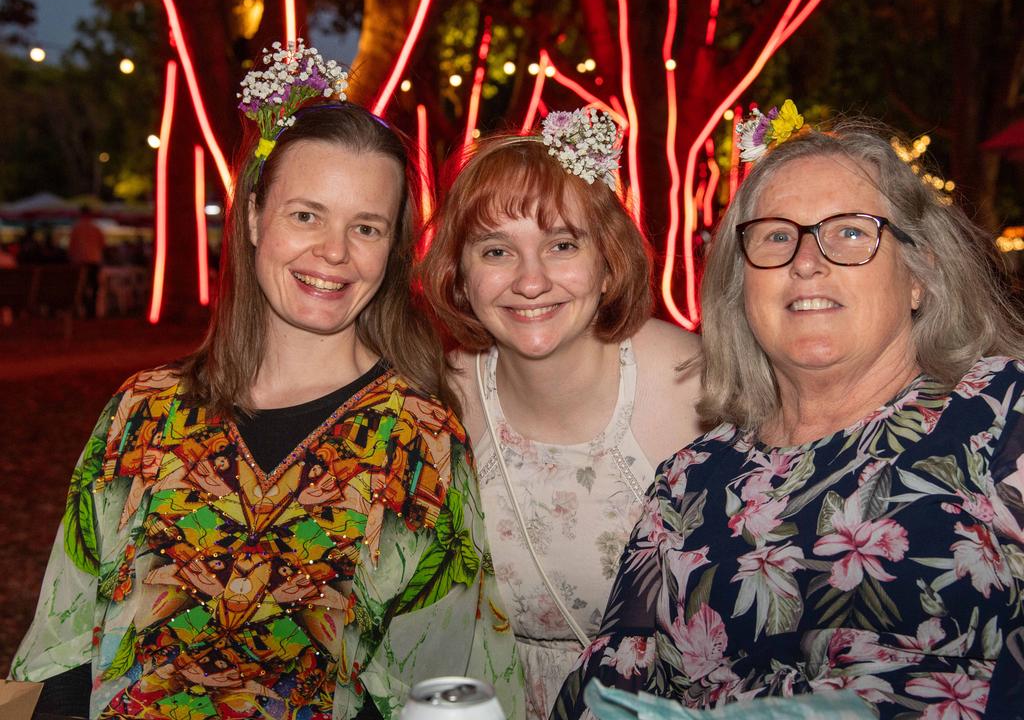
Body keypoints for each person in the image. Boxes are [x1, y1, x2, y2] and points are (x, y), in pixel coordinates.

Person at [11, 41, 522, 720]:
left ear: (392, 252)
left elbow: (450, 682)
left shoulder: (415, 441)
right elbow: (69, 656)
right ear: (254, 217)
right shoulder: (142, 413)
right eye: (306, 214)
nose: (334, 252)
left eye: (365, 227)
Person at [551, 110, 1024, 720]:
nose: (807, 260)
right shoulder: (689, 482)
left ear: (919, 274)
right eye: (776, 235)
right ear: (740, 287)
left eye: (851, 232)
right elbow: (605, 688)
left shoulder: (1002, 413)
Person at [419, 108, 703, 719]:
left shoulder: (696, 388)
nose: (531, 280)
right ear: (461, 276)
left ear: (608, 263)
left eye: (562, 244)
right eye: (497, 250)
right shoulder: (440, 406)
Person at [68, 205, 106, 317]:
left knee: (82, 286)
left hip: (80, 261)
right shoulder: (96, 228)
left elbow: (71, 247)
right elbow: (102, 245)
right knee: (93, 286)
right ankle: (92, 309)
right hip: (94, 260)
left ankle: (85, 308)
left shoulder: (76, 228)